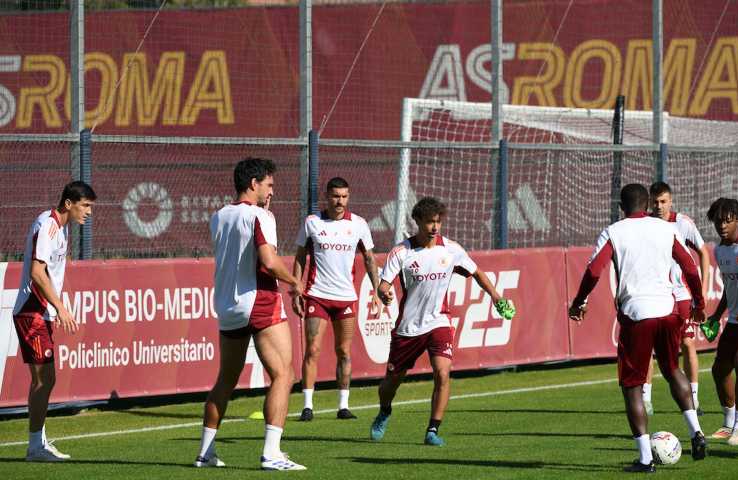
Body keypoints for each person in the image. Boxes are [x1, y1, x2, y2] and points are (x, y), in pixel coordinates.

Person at [569, 184, 706, 473]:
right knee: (672, 370)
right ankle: (696, 431)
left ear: (621, 206)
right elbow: (691, 267)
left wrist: (578, 301)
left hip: (637, 314)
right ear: (646, 204)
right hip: (668, 311)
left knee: (633, 387)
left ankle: (645, 459)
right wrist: (699, 302)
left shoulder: (614, 231)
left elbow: (594, 270)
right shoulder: (664, 229)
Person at [369, 197, 514, 446]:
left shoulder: (451, 249)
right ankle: (384, 410)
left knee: (442, 373)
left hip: (439, 322)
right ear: (417, 222)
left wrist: (496, 297)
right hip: (408, 328)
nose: (434, 227)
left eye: (437, 222)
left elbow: (477, 273)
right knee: (390, 384)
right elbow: (384, 284)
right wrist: (383, 293)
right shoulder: (401, 252)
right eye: (429, 222)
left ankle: (432, 430)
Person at [194, 158, 306, 471]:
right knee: (284, 374)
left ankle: (205, 453)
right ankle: (272, 454)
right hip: (259, 300)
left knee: (226, 379)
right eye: (269, 185)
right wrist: (295, 281)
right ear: (254, 184)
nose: (272, 192)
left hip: (228, 305)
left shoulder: (219, 216)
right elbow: (268, 261)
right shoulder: (260, 215)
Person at [13, 181, 96, 462]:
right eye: (85, 205)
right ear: (69, 203)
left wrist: (59, 304)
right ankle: (35, 447)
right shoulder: (47, 225)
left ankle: (38, 443)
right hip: (32, 311)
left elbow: (52, 272)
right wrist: (59, 307)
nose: (88, 212)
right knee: (44, 379)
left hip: (42, 312)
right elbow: (37, 272)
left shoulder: (63, 229)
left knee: (44, 380)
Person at [292, 177, 383, 421]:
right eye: (335, 196)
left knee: (343, 351)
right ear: (327, 197)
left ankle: (343, 406)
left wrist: (376, 292)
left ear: (348, 197)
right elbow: (300, 257)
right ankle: (307, 406)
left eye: (343, 196)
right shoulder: (312, 223)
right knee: (312, 349)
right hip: (317, 296)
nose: (339, 201)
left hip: (345, 298)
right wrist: (296, 288)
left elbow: (370, 259)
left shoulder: (359, 225)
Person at [642, 182, 710, 416]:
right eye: (655, 201)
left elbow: (703, 252)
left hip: (681, 296)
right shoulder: (645, 225)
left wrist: (704, 288)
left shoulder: (683, 223)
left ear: (671, 201)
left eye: (663, 201)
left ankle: (694, 399)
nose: (659, 206)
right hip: (655, 296)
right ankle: (646, 400)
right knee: (648, 347)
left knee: (688, 343)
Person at [704, 198, 738, 445]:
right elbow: (729, 288)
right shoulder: (720, 250)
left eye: (728, 220)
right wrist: (716, 316)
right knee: (719, 370)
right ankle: (729, 423)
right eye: (718, 221)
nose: (722, 226)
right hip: (734, 321)